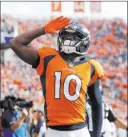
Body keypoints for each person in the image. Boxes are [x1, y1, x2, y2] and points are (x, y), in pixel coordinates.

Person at [9, 16, 104, 137]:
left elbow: (97, 104)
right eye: (66, 36)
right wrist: (43, 29)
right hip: (54, 131)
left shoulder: (91, 66)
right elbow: (15, 43)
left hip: (80, 130)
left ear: (84, 41)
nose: (69, 40)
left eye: (74, 37)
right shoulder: (47, 58)